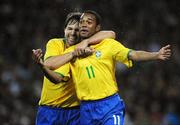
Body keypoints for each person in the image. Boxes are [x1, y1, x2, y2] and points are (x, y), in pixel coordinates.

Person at [36, 10, 171, 125]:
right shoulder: (70, 51)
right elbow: (57, 75)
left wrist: (156, 55)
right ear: (64, 30)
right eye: (81, 22)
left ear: (97, 28)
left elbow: (132, 53)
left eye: (88, 22)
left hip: (109, 105)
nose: (82, 26)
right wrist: (43, 65)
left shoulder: (108, 44)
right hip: (84, 109)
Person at [32, 12, 116, 125]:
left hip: (75, 111)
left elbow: (111, 34)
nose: (72, 33)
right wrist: (73, 54)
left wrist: (86, 41)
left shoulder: (85, 46)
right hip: (49, 110)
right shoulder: (55, 44)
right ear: (64, 30)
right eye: (70, 28)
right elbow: (50, 66)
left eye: (77, 30)